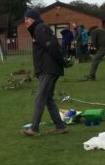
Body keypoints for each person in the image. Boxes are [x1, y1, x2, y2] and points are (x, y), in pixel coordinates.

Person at [21, 8, 69, 137]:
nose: (26, 21)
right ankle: (60, 126)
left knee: (40, 97)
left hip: (49, 69)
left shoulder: (40, 28)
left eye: (28, 19)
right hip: (48, 69)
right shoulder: (38, 29)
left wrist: (63, 61)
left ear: (35, 19)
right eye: (25, 19)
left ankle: (34, 128)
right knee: (48, 98)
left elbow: (52, 46)